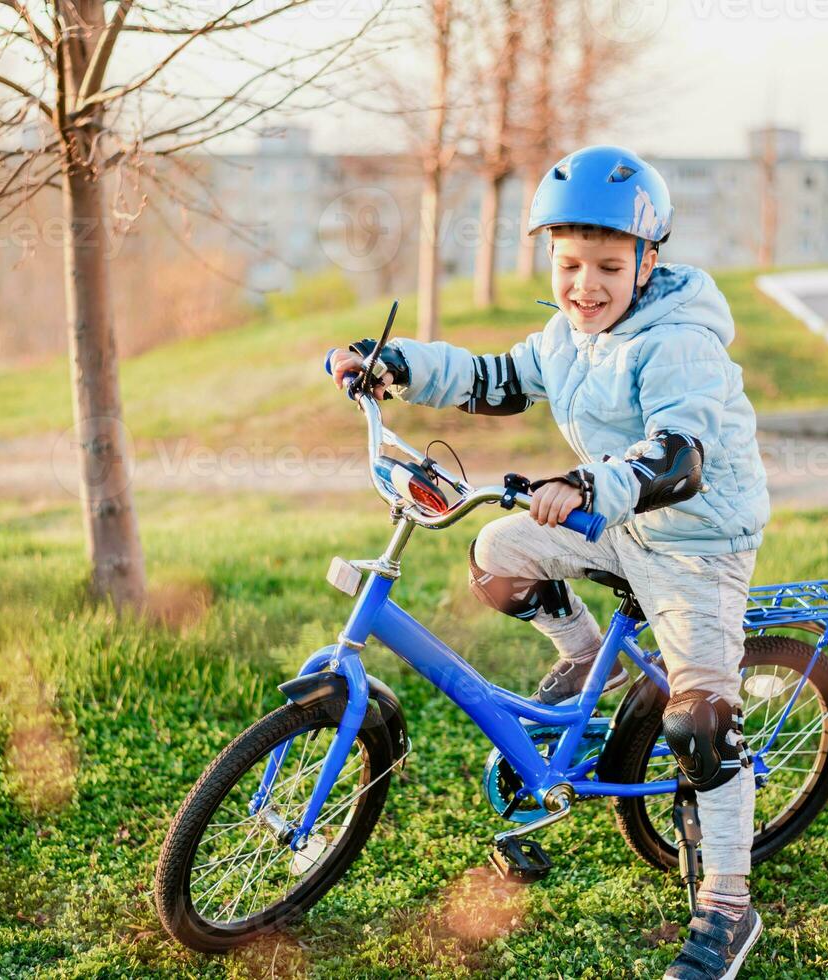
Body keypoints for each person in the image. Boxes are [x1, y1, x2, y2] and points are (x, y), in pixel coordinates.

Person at [328, 145, 769, 979]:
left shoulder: (680, 343)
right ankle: (582, 659)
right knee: (499, 557)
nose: (586, 286)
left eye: (609, 265)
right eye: (570, 265)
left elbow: (679, 457)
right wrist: (391, 365)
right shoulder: (569, 338)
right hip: (614, 519)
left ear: (647, 260)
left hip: (694, 538)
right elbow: (490, 376)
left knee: (699, 724)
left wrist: (588, 481)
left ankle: (729, 904)